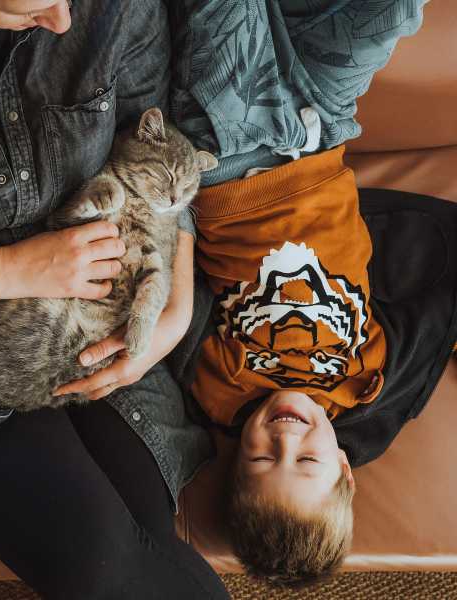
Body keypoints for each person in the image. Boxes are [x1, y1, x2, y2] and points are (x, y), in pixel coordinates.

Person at [0, 1, 231, 598]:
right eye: (32, 6)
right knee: (100, 567)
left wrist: (172, 317)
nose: (63, 22)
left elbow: (164, 168)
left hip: (112, 330)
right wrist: (13, 269)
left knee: (147, 541)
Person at [74, 0, 453, 586]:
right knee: (395, 12)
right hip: (325, 130)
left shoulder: (219, 391)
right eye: (306, 459)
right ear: (345, 469)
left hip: (231, 148)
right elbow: (435, 309)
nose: (285, 433)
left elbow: (170, 298)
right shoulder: (366, 380)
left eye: (260, 458)